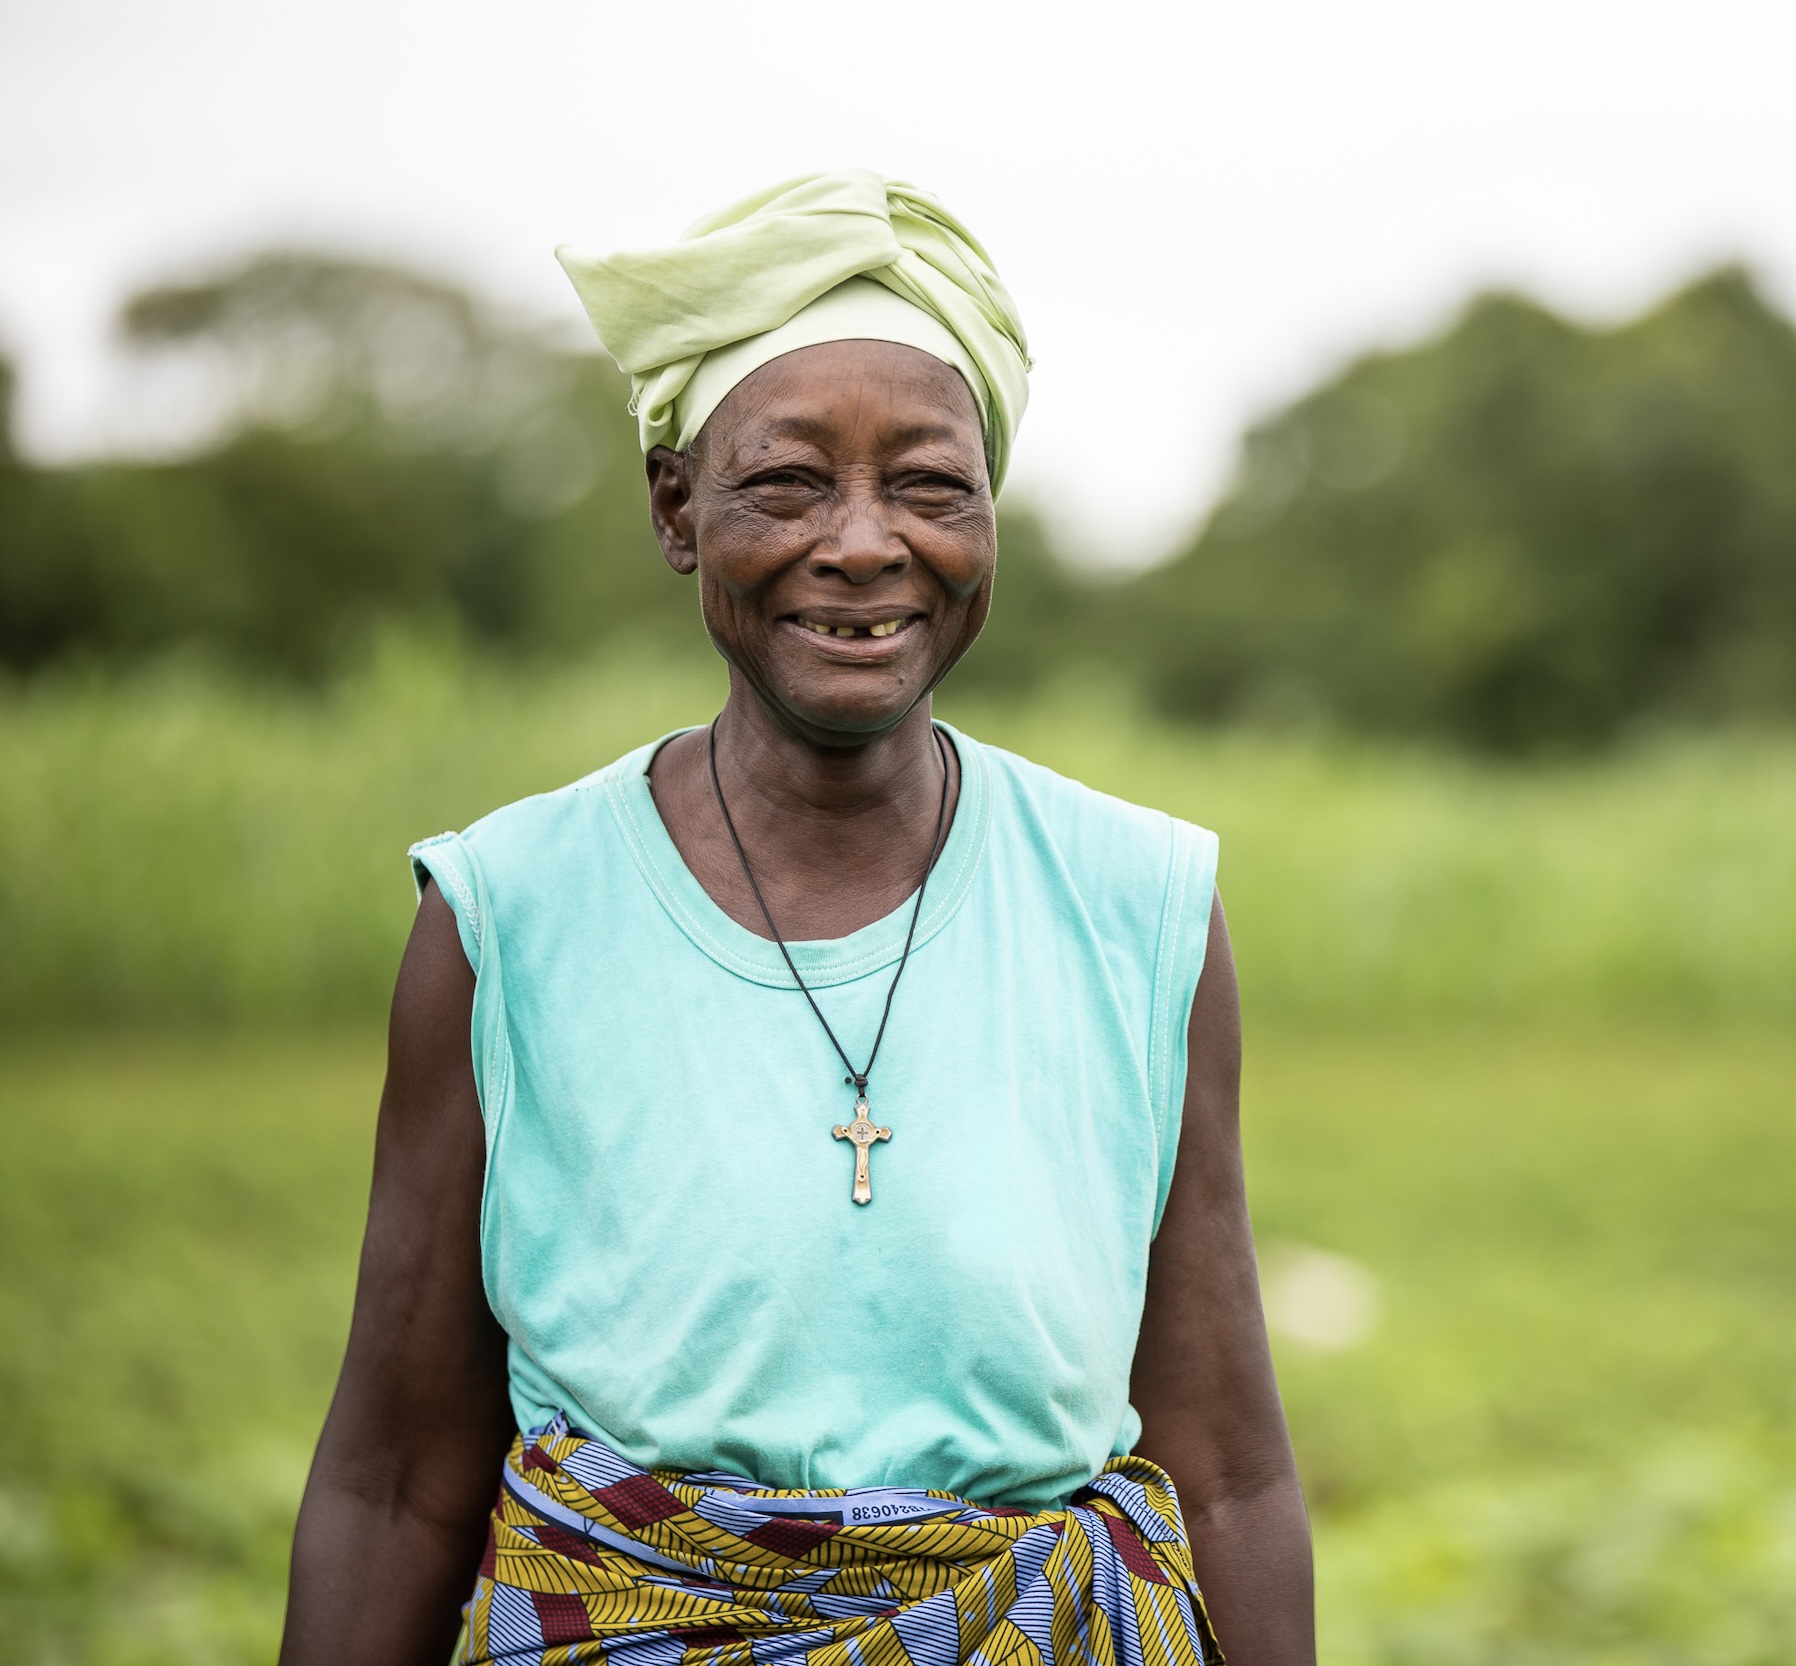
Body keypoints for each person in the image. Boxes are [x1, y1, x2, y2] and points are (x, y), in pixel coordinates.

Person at [278, 171, 1314, 1666]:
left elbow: (1229, 1465)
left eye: (929, 483)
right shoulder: (507, 917)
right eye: (787, 482)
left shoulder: (1137, 904)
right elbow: (392, 1480)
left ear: (987, 520)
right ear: (676, 511)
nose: (864, 542)